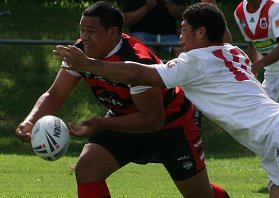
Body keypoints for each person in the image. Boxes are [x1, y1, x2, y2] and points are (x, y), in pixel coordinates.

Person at [54, 2, 279, 197]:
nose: (180, 37)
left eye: (183, 30)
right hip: (273, 141)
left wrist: (88, 64)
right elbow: (222, 33)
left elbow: (139, 73)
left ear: (201, 32)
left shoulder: (196, 62)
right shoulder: (232, 51)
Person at [16, 1, 229, 198]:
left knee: (200, 195)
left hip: (172, 126)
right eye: (82, 30)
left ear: (113, 33)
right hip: (123, 120)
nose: (84, 37)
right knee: (88, 168)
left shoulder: (137, 60)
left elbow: (153, 119)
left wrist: (100, 123)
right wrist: (30, 121)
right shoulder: (81, 52)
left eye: (91, 31)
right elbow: (55, 95)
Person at [234, 0, 279, 115]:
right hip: (270, 76)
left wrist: (259, 65)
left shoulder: (275, 6)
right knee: (262, 117)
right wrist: (250, 72)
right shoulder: (239, 12)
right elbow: (252, 44)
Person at [119, 0, 185, 57]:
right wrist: (146, 7)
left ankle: (180, 70)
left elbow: (182, 16)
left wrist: (168, 2)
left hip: (169, 35)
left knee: (183, 51)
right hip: (141, 35)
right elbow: (126, 21)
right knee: (147, 52)